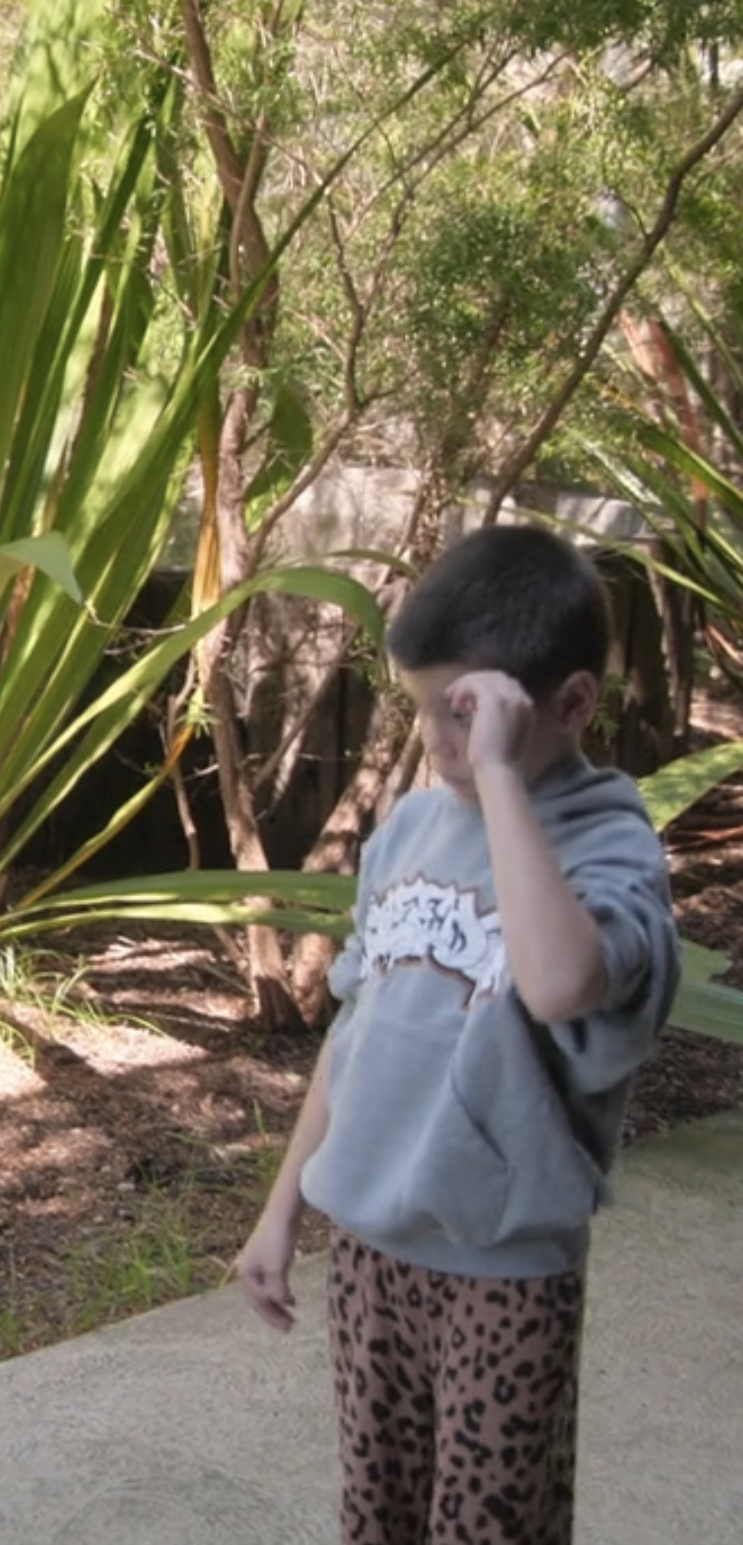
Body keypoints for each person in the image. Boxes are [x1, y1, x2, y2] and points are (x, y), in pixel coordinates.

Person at [234, 523, 680, 1545]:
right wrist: (282, 1209)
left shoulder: (607, 844)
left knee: (487, 1527)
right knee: (376, 1515)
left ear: (567, 704)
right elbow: (356, 1033)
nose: (438, 741)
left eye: (466, 713)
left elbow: (561, 980)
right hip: (369, 1253)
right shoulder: (406, 831)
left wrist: (500, 784)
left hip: (503, 1267)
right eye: (424, 710)